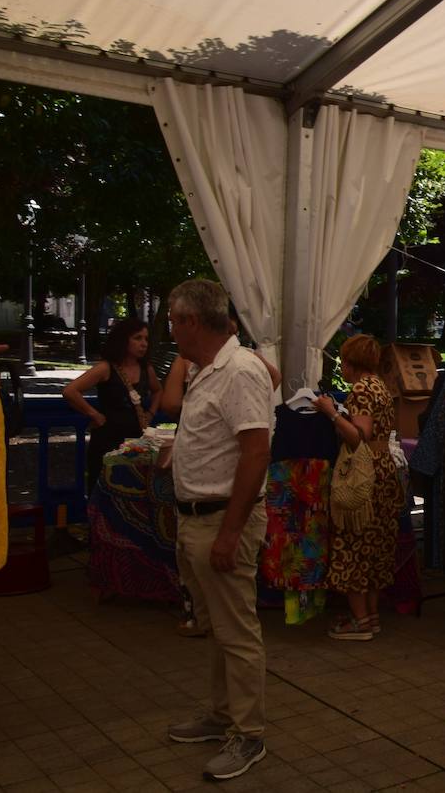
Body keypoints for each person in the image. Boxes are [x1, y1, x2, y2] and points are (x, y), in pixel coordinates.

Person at [163, 280, 273, 781]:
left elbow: (255, 452)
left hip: (221, 520)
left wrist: (230, 533)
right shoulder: (209, 369)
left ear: (191, 322)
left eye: (171, 318)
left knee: (237, 631)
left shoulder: (238, 370)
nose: (169, 327)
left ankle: (248, 735)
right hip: (199, 518)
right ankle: (223, 715)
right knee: (220, 631)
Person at [312, 334, 401, 641]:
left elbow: (357, 435)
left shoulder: (361, 390)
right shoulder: (380, 386)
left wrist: (330, 412)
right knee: (374, 548)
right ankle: (371, 616)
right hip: (384, 470)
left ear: (351, 363)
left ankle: (360, 620)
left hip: (364, 476)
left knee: (353, 546)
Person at [62, 317, 162, 487]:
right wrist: (93, 413)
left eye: (146, 339)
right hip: (108, 440)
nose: (144, 343)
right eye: (137, 338)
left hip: (136, 440)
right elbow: (70, 391)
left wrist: (151, 412)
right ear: (123, 340)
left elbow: (158, 390)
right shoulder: (106, 368)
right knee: (104, 489)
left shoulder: (146, 369)